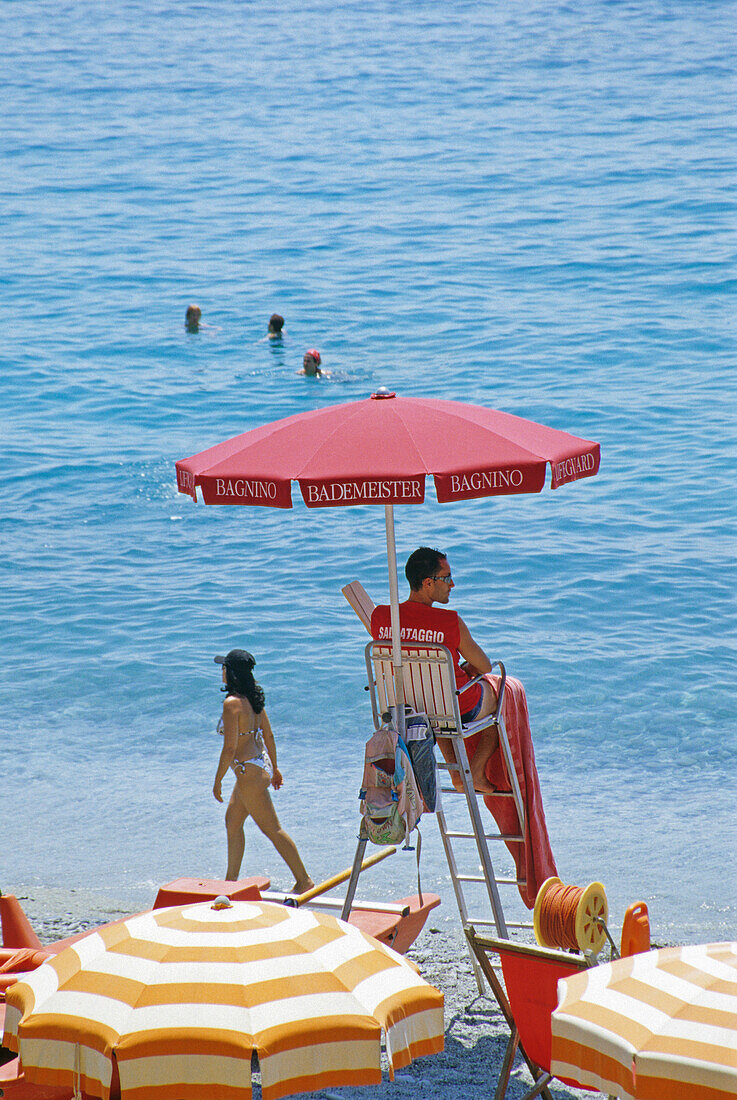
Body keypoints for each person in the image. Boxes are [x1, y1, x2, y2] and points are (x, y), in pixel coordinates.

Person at [370, 546, 498, 793]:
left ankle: (456, 775)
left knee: (436, 702)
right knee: (500, 697)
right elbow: (484, 665)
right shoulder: (450, 621)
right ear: (428, 583)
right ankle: (477, 773)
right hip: (450, 708)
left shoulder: (381, 616)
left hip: (404, 709)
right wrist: (467, 669)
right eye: (447, 577)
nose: (452, 584)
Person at [212, 649, 313, 891]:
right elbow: (268, 735)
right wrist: (275, 768)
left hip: (248, 775)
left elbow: (229, 749)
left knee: (273, 829)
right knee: (232, 822)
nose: (221, 671)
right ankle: (230, 882)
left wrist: (217, 781)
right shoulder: (254, 702)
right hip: (256, 770)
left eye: (224, 667)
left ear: (232, 673)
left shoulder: (232, 704)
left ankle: (304, 881)